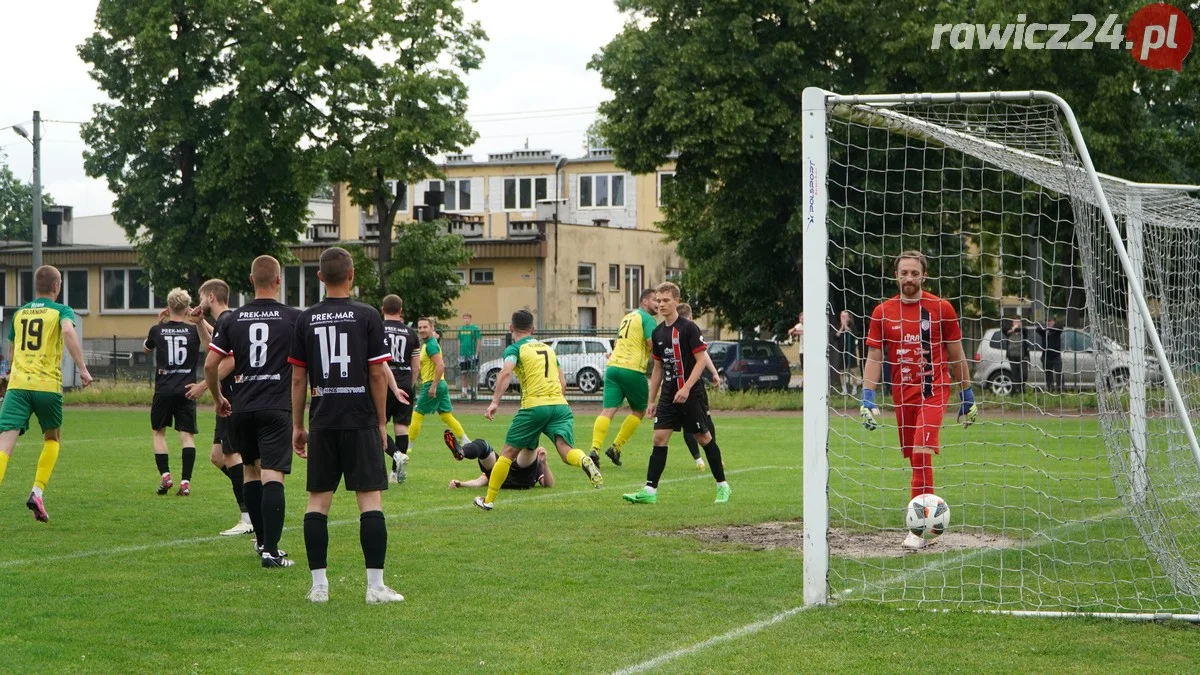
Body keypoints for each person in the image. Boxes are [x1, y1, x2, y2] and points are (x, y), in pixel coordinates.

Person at [290, 246, 405, 603]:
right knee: (370, 500)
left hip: (323, 420)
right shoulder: (368, 315)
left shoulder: (305, 318)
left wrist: (298, 425)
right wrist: (381, 422)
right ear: (352, 275)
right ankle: (375, 588)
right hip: (360, 419)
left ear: (320, 277)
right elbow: (376, 373)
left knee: (317, 502)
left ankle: (319, 587)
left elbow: (298, 379)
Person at [859, 250, 978, 550]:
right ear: (896, 275)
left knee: (922, 450)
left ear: (924, 275)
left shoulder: (941, 308)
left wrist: (967, 393)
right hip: (902, 396)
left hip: (934, 391)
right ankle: (927, 523)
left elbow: (956, 354)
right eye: (904, 273)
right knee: (914, 459)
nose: (909, 278)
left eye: (914, 273)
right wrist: (867, 396)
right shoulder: (882, 312)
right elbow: (874, 356)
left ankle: (919, 530)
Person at [206, 256, 301, 568]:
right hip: (276, 405)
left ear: (251, 281)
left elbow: (210, 364)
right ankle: (271, 551)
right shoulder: (293, 318)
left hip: (241, 407)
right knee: (273, 474)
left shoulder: (233, 319)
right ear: (278, 280)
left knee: (250, 471)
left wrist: (218, 397)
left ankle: (262, 543)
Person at [473, 309, 603, 510]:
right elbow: (563, 383)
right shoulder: (549, 349)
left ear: (511, 328)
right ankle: (583, 459)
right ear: (533, 329)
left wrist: (494, 402)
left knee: (507, 453)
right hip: (560, 405)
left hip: (534, 406)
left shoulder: (514, 349)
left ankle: (488, 500)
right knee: (565, 451)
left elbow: (506, 373)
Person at [623, 282, 730, 505]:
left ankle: (722, 486)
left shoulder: (688, 328)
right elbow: (658, 368)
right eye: (658, 301)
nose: (661, 304)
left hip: (691, 393)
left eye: (665, 300)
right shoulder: (657, 332)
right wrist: (651, 400)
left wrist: (687, 387)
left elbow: (701, 360)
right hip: (669, 395)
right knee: (659, 438)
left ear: (676, 302)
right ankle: (649, 491)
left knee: (703, 438)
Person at [0, 265, 93, 522]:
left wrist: (9, 375)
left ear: (35, 287)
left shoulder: (19, 314)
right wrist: (83, 369)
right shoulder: (61, 310)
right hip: (47, 386)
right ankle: (37, 492)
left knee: (4, 444)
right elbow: (67, 330)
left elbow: (11, 349)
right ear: (56, 286)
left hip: (17, 386)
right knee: (52, 439)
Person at [195, 278, 253, 536]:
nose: (198, 303)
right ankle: (255, 495)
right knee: (218, 457)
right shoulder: (223, 323)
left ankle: (249, 514)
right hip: (228, 398)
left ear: (210, 298)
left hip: (232, 398)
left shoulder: (228, 320)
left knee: (231, 455)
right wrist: (198, 323)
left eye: (200, 298)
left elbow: (229, 361)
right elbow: (211, 348)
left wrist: (203, 386)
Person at [145, 288, 211, 496]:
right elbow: (211, 342)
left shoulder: (157, 330)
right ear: (186, 308)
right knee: (187, 436)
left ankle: (166, 476)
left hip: (164, 389)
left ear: (168, 306)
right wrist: (199, 320)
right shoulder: (192, 331)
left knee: (158, 432)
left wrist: (158, 323)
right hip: (187, 389)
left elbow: (147, 348)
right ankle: (185, 482)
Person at [588, 287, 657, 468]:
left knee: (608, 411)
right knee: (639, 411)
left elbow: (618, 342)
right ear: (644, 302)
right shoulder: (647, 319)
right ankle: (616, 447)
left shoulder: (627, 317)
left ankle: (594, 449)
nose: (658, 304)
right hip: (632, 370)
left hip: (613, 368)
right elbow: (653, 344)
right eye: (654, 300)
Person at [408, 317, 469, 454]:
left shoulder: (431, 345)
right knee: (446, 415)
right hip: (441, 383)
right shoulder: (428, 343)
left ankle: (408, 446)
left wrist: (433, 386)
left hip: (432, 383)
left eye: (425, 327)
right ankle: (465, 440)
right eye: (420, 327)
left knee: (417, 414)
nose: (422, 330)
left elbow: (441, 365)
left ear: (431, 328)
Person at [380, 295, 420, 483]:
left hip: (382, 382)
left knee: (375, 424)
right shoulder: (411, 333)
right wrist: (409, 385)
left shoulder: (377, 328)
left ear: (382, 309)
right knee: (401, 427)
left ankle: (395, 454)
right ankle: (396, 474)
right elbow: (416, 365)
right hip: (404, 382)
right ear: (401, 311)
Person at [677, 302, 718, 471]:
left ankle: (699, 460)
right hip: (693, 386)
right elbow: (703, 355)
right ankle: (713, 458)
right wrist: (714, 372)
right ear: (691, 316)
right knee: (705, 420)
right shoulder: (692, 329)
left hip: (676, 385)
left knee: (688, 423)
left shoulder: (669, 331)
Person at [445, 434, 555, 490]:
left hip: (519, 477)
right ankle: (462, 452)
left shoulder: (535, 462)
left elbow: (548, 484)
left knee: (529, 442)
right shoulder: (502, 461)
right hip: (504, 476)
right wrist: (461, 484)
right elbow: (480, 481)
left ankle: (530, 439)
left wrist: (544, 463)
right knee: (482, 445)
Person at [835, 310, 862, 396]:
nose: (843, 318)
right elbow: (835, 337)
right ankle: (844, 389)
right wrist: (842, 328)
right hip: (842, 352)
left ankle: (854, 388)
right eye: (842, 316)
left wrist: (847, 327)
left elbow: (855, 335)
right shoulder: (838, 326)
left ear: (849, 318)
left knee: (853, 371)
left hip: (851, 351)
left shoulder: (852, 326)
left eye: (845, 316)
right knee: (841, 371)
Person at [456, 313, 482, 401]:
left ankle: (474, 391)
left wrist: (477, 353)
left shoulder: (475, 329)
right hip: (463, 354)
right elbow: (459, 341)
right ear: (463, 319)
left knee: (473, 373)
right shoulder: (461, 329)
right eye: (465, 318)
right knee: (464, 373)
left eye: (468, 318)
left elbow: (478, 341)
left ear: (470, 319)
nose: (466, 320)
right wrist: (458, 353)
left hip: (472, 354)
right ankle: (464, 392)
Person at [1003, 316, 1028, 395]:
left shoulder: (1023, 331)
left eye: (1018, 322)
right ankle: (1017, 391)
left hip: (1022, 356)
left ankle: (1021, 387)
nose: (1017, 323)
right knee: (1015, 373)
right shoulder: (1008, 331)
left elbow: (1025, 331)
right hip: (1012, 356)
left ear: (1020, 323)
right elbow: (1004, 330)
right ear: (1012, 323)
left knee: (1024, 374)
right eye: (1015, 321)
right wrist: (1013, 329)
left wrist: (1015, 329)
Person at [1039, 315, 1064, 393]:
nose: (1048, 322)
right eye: (1047, 321)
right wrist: (1046, 327)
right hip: (1046, 357)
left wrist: (1052, 327)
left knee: (1059, 373)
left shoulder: (1056, 331)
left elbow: (1061, 327)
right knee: (1048, 375)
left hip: (1056, 356)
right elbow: (1037, 329)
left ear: (1054, 321)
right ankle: (1050, 389)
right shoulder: (1043, 332)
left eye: (1050, 321)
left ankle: (1060, 389)